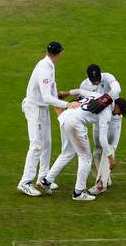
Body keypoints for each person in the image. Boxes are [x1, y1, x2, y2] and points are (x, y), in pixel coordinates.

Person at [17, 41, 81, 197]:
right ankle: (25, 182)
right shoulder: (45, 69)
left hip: (42, 108)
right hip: (35, 109)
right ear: (60, 54)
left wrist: (59, 111)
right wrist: (68, 105)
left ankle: (42, 178)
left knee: (47, 143)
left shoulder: (49, 65)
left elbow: (52, 91)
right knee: (37, 144)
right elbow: (47, 97)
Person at [41, 94, 126, 201]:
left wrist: (67, 94)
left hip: (65, 117)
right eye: (120, 112)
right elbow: (103, 139)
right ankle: (78, 192)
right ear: (117, 107)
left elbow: (81, 93)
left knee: (67, 153)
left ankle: (46, 181)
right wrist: (110, 158)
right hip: (75, 123)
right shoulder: (106, 113)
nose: (119, 115)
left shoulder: (99, 96)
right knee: (86, 158)